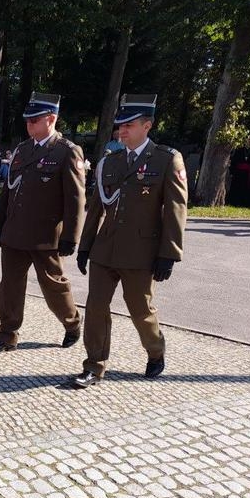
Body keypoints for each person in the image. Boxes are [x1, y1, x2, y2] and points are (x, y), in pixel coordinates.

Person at [72, 94, 187, 389]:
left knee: (140, 309)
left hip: (141, 252)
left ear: (147, 125)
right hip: (105, 249)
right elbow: (97, 207)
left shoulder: (165, 159)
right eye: (120, 126)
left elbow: (176, 209)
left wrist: (169, 254)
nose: (122, 131)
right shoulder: (111, 162)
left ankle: (155, 349)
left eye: (129, 125)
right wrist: (85, 247)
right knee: (96, 307)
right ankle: (94, 366)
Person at [0, 92, 85, 354]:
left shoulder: (67, 152)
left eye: (35, 120)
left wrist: (70, 237)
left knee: (53, 286)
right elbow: (9, 190)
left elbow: (75, 199)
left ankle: (72, 322)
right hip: (15, 232)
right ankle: (7, 335)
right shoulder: (22, 150)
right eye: (27, 121)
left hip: (45, 234)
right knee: (10, 287)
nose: (29, 125)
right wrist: (0, 223)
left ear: (51, 119)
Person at [227, 135, 250, 206]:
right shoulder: (239, 150)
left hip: (249, 173)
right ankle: (234, 202)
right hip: (238, 173)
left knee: (247, 188)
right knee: (236, 188)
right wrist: (232, 171)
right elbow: (234, 161)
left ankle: (245, 203)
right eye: (249, 142)